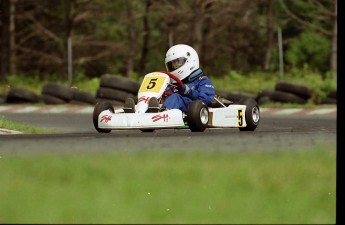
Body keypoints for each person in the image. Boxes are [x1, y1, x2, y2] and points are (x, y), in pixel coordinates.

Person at [148, 44, 215, 113]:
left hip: (195, 110)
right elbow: (169, 100)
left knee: (176, 98)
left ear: (190, 60)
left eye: (177, 61)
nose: (174, 65)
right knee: (153, 100)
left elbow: (207, 99)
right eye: (172, 63)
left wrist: (189, 92)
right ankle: (145, 114)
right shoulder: (174, 86)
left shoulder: (203, 81)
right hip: (177, 112)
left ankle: (162, 114)